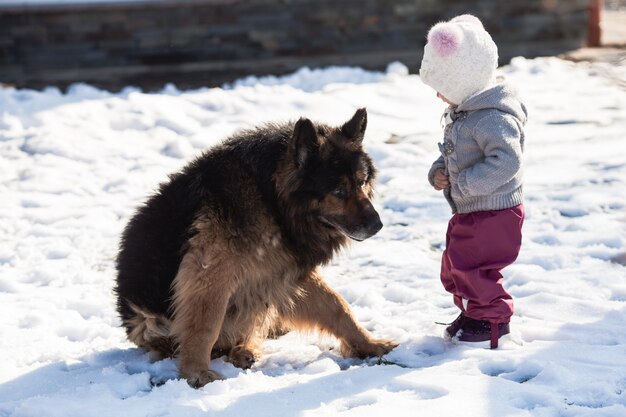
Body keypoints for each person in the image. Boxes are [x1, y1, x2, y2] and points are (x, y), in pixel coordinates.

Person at [419, 14, 528, 348]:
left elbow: (507, 161)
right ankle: (473, 311)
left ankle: (491, 323)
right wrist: (440, 170)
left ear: (464, 82)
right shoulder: (467, 112)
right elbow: (456, 152)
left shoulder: (493, 118)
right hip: (472, 209)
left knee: (474, 267)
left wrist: (463, 184)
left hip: (494, 213)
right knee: (455, 264)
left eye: (442, 88)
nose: (439, 96)